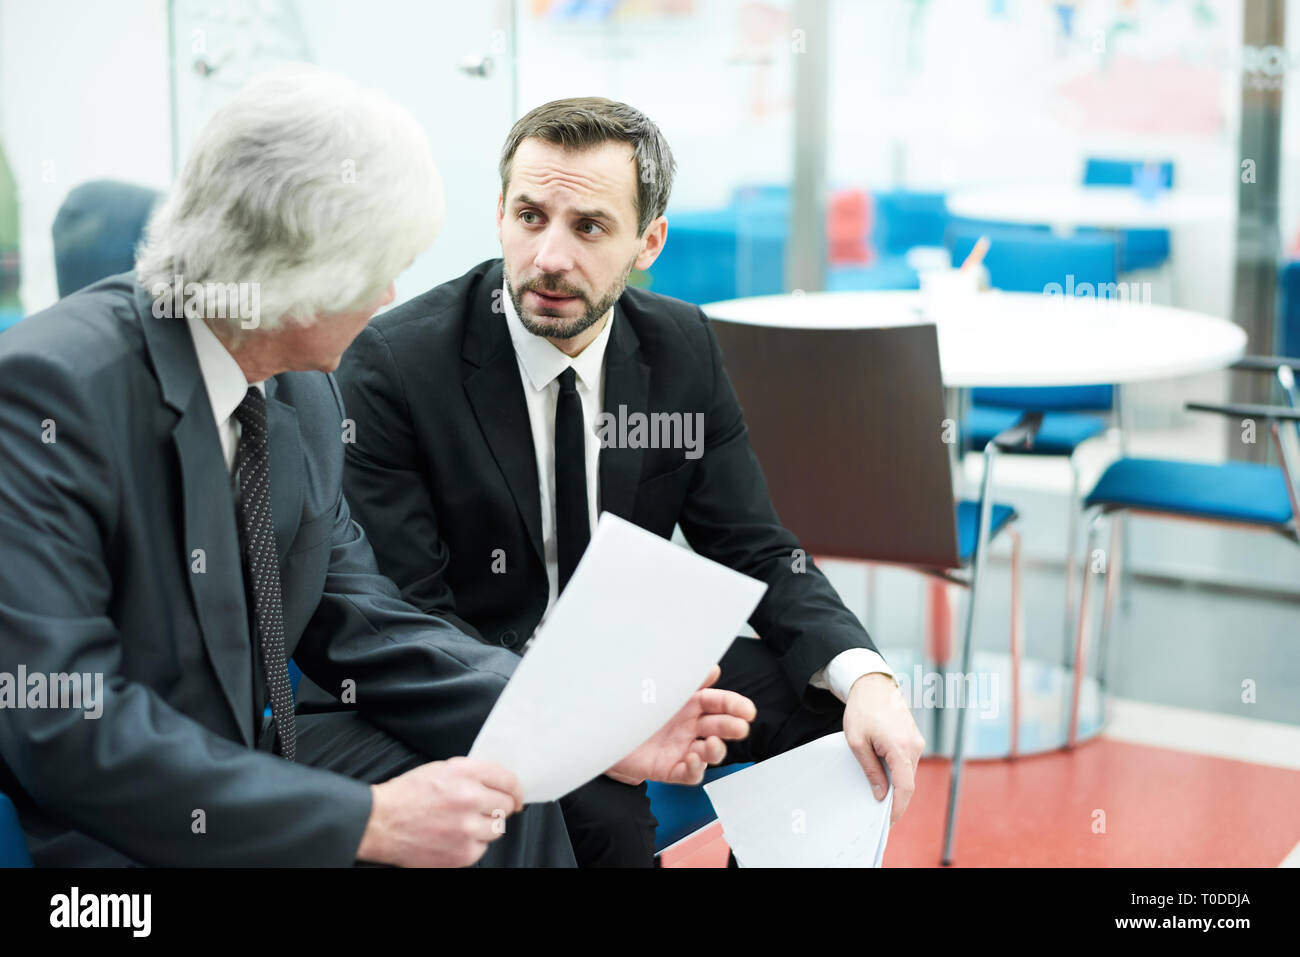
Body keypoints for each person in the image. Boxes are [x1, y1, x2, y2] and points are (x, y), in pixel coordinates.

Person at [0, 71, 754, 868]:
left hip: (258, 755)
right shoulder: (48, 394)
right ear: (296, 275)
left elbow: (365, 619)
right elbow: (63, 723)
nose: (391, 295)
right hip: (118, 826)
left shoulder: (303, 391)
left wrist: (584, 727)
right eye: (379, 269)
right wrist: (363, 820)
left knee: (503, 795)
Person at [329, 96, 926, 867]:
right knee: (608, 824)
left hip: (634, 660)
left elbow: (755, 547)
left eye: (588, 227)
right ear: (501, 215)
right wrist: (588, 725)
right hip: (494, 680)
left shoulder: (681, 346)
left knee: (836, 731)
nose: (548, 256)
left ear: (649, 241)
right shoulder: (399, 364)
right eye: (530, 215)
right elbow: (414, 618)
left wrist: (868, 677)